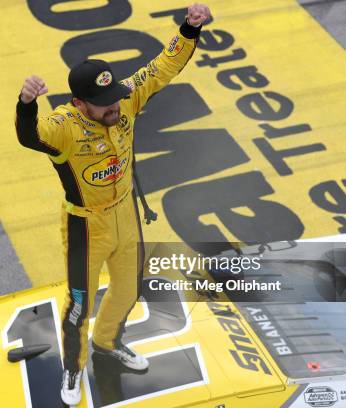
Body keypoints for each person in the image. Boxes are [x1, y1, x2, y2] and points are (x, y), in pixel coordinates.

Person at [14, 4, 211, 405]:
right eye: (103, 103)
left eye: (115, 97)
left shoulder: (124, 99)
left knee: (128, 289)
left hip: (126, 213)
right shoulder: (63, 126)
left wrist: (189, 29)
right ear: (79, 102)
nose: (115, 107)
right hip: (86, 227)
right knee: (77, 307)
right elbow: (30, 136)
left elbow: (161, 67)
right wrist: (26, 103)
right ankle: (72, 368)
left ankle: (107, 344)